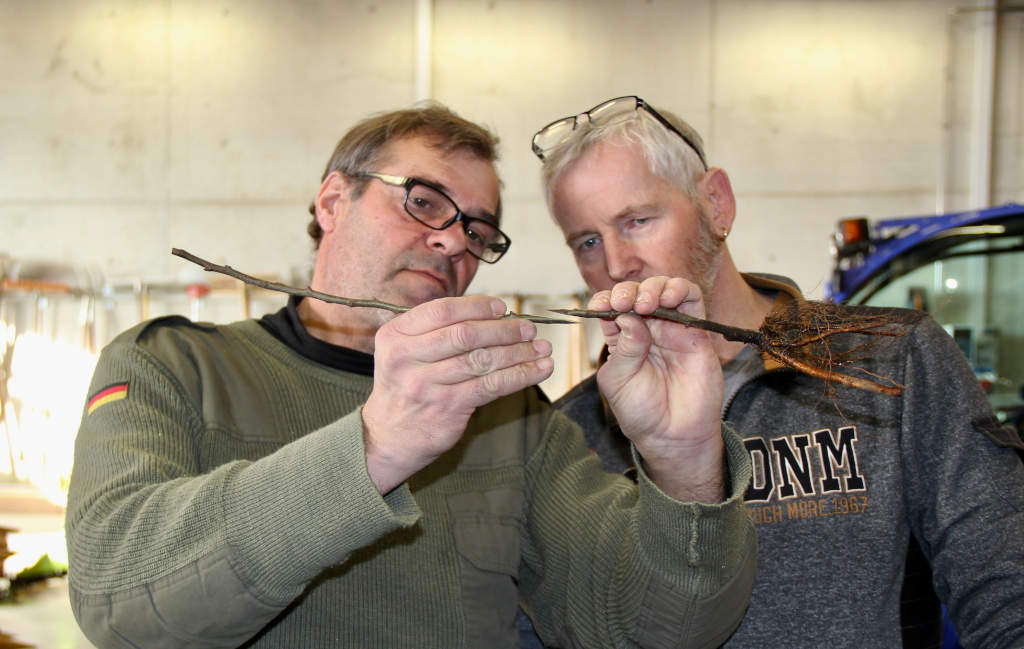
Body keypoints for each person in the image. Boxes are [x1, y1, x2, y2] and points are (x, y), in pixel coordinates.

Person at [64, 103, 757, 649]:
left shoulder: (507, 419)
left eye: (479, 232)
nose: (456, 241)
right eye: (423, 201)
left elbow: (655, 627)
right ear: (333, 201)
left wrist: (683, 463)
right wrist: (374, 447)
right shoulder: (173, 367)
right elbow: (117, 598)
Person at [528, 95, 1024, 648]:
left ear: (716, 203)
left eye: (638, 221)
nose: (617, 265)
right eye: (588, 241)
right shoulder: (571, 432)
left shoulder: (887, 361)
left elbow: (1006, 589)